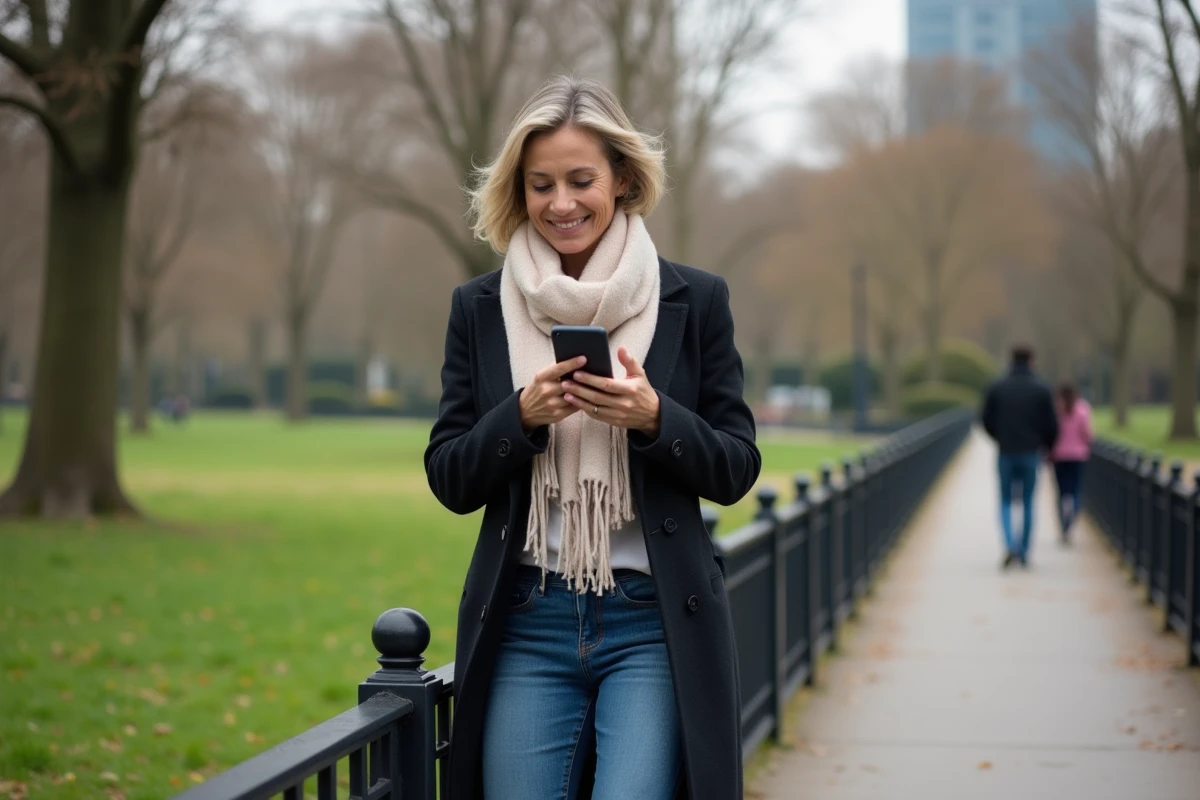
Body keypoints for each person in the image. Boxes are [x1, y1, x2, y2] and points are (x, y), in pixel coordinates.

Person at [424, 76, 761, 800]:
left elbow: (736, 466)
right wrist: (518, 420)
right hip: (525, 621)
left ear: (624, 180)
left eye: (581, 180)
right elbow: (449, 476)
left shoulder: (695, 300)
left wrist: (655, 418)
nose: (561, 203)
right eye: (541, 184)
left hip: (652, 622)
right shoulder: (479, 308)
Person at [981, 345, 1059, 568]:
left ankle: (1009, 544)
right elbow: (1052, 425)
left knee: (1005, 500)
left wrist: (1000, 437)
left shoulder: (997, 388)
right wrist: (1045, 445)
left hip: (1006, 452)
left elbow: (985, 420)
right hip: (1030, 452)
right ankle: (1024, 551)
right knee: (1027, 502)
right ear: (1031, 361)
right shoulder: (1042, 389)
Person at [1049, 383, 1092, 543]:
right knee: (1075, 490)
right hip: (1078, 456)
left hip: (1059, 456)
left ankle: (1063, 525)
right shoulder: (1082, 409)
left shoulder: (1056, 411)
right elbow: (1087, 433)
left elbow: (1050, 433)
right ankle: (1071, 520)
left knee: (1061, 492)